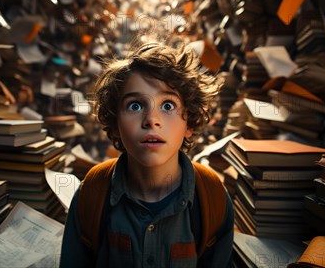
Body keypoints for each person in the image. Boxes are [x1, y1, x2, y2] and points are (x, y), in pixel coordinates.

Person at [59, 41, 234, 267]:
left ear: (188, 122)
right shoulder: (91, 195)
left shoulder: (212, 199)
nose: (152, 120)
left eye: (168, 105)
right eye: (135, 106)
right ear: (114, 124)